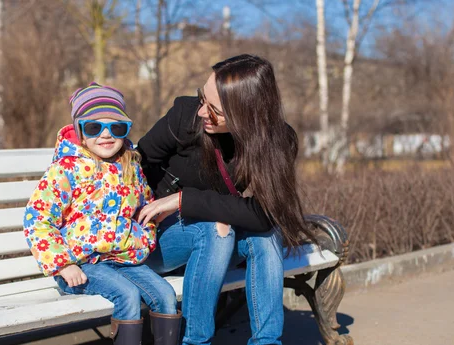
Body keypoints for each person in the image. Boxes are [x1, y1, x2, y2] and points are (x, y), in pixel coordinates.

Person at [136, 54, 315, 345]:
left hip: (215, 245)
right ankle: (196, 341)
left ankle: (267, 342)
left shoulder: (278, 140)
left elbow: (264, 214)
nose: (203, 112)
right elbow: (136, 164)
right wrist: (158, 205)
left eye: (215, 110)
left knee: (265, 235)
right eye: (202, 99)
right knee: (215, 229)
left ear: (248, 114)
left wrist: (186, 200)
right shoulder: (186, 117)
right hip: (159, 240)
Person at [23, 83, 180, 345]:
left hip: (123, 260)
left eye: (116, 127)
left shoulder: (130, 167)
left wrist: (143, 237)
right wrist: (63, 264)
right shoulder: (66, 169)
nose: (106, 135)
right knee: (127, 296)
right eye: (94, 127)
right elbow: (38, 219)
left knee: (164, 295)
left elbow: (146, 210)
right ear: (80, 132)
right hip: (81, 265)